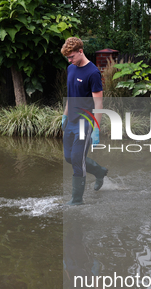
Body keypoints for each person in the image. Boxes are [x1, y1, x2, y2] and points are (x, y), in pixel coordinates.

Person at [61, 37, 108, 206]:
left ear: (80, 51)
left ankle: (77, 200)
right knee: (69, 157)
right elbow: (70, 95)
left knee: (77, 159)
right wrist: (65, 116)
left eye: (72, 56)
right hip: (71, 120)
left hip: (85, 122)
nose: (70, 60)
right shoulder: (71, 69)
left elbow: (99, 103)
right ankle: (99, 171)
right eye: (67, 58)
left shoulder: (93, 73)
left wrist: (96, 128)